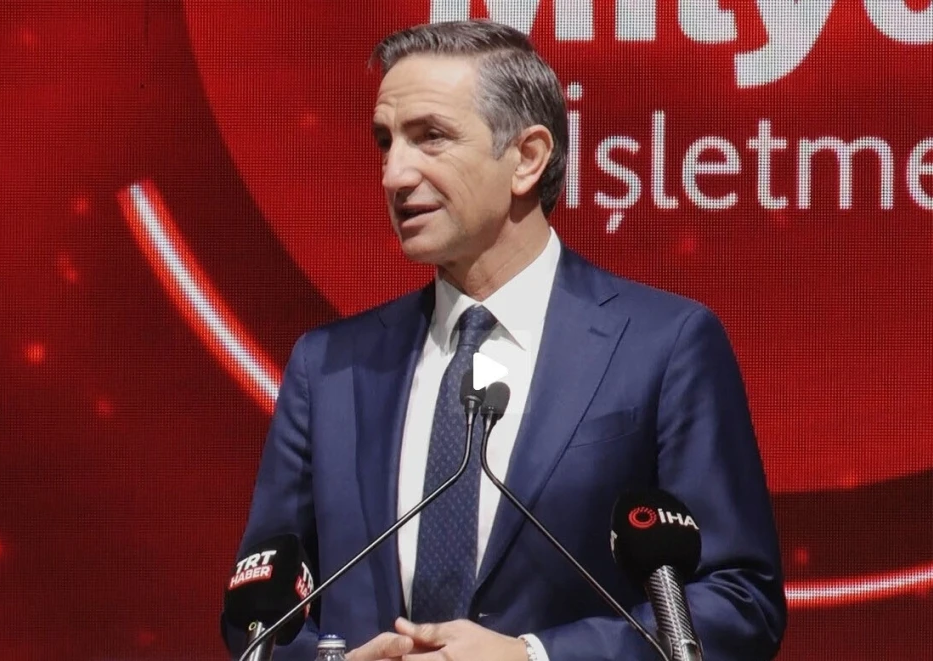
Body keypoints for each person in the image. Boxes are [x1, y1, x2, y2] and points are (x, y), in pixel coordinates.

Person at [224, 19, 786, 661]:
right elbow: (257, 616)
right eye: (385, 142)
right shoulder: (328, 367)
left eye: (430, 137)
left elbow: (736, 601)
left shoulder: (663, 346)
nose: (394, 175)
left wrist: (533, 656)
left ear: (526, 158)